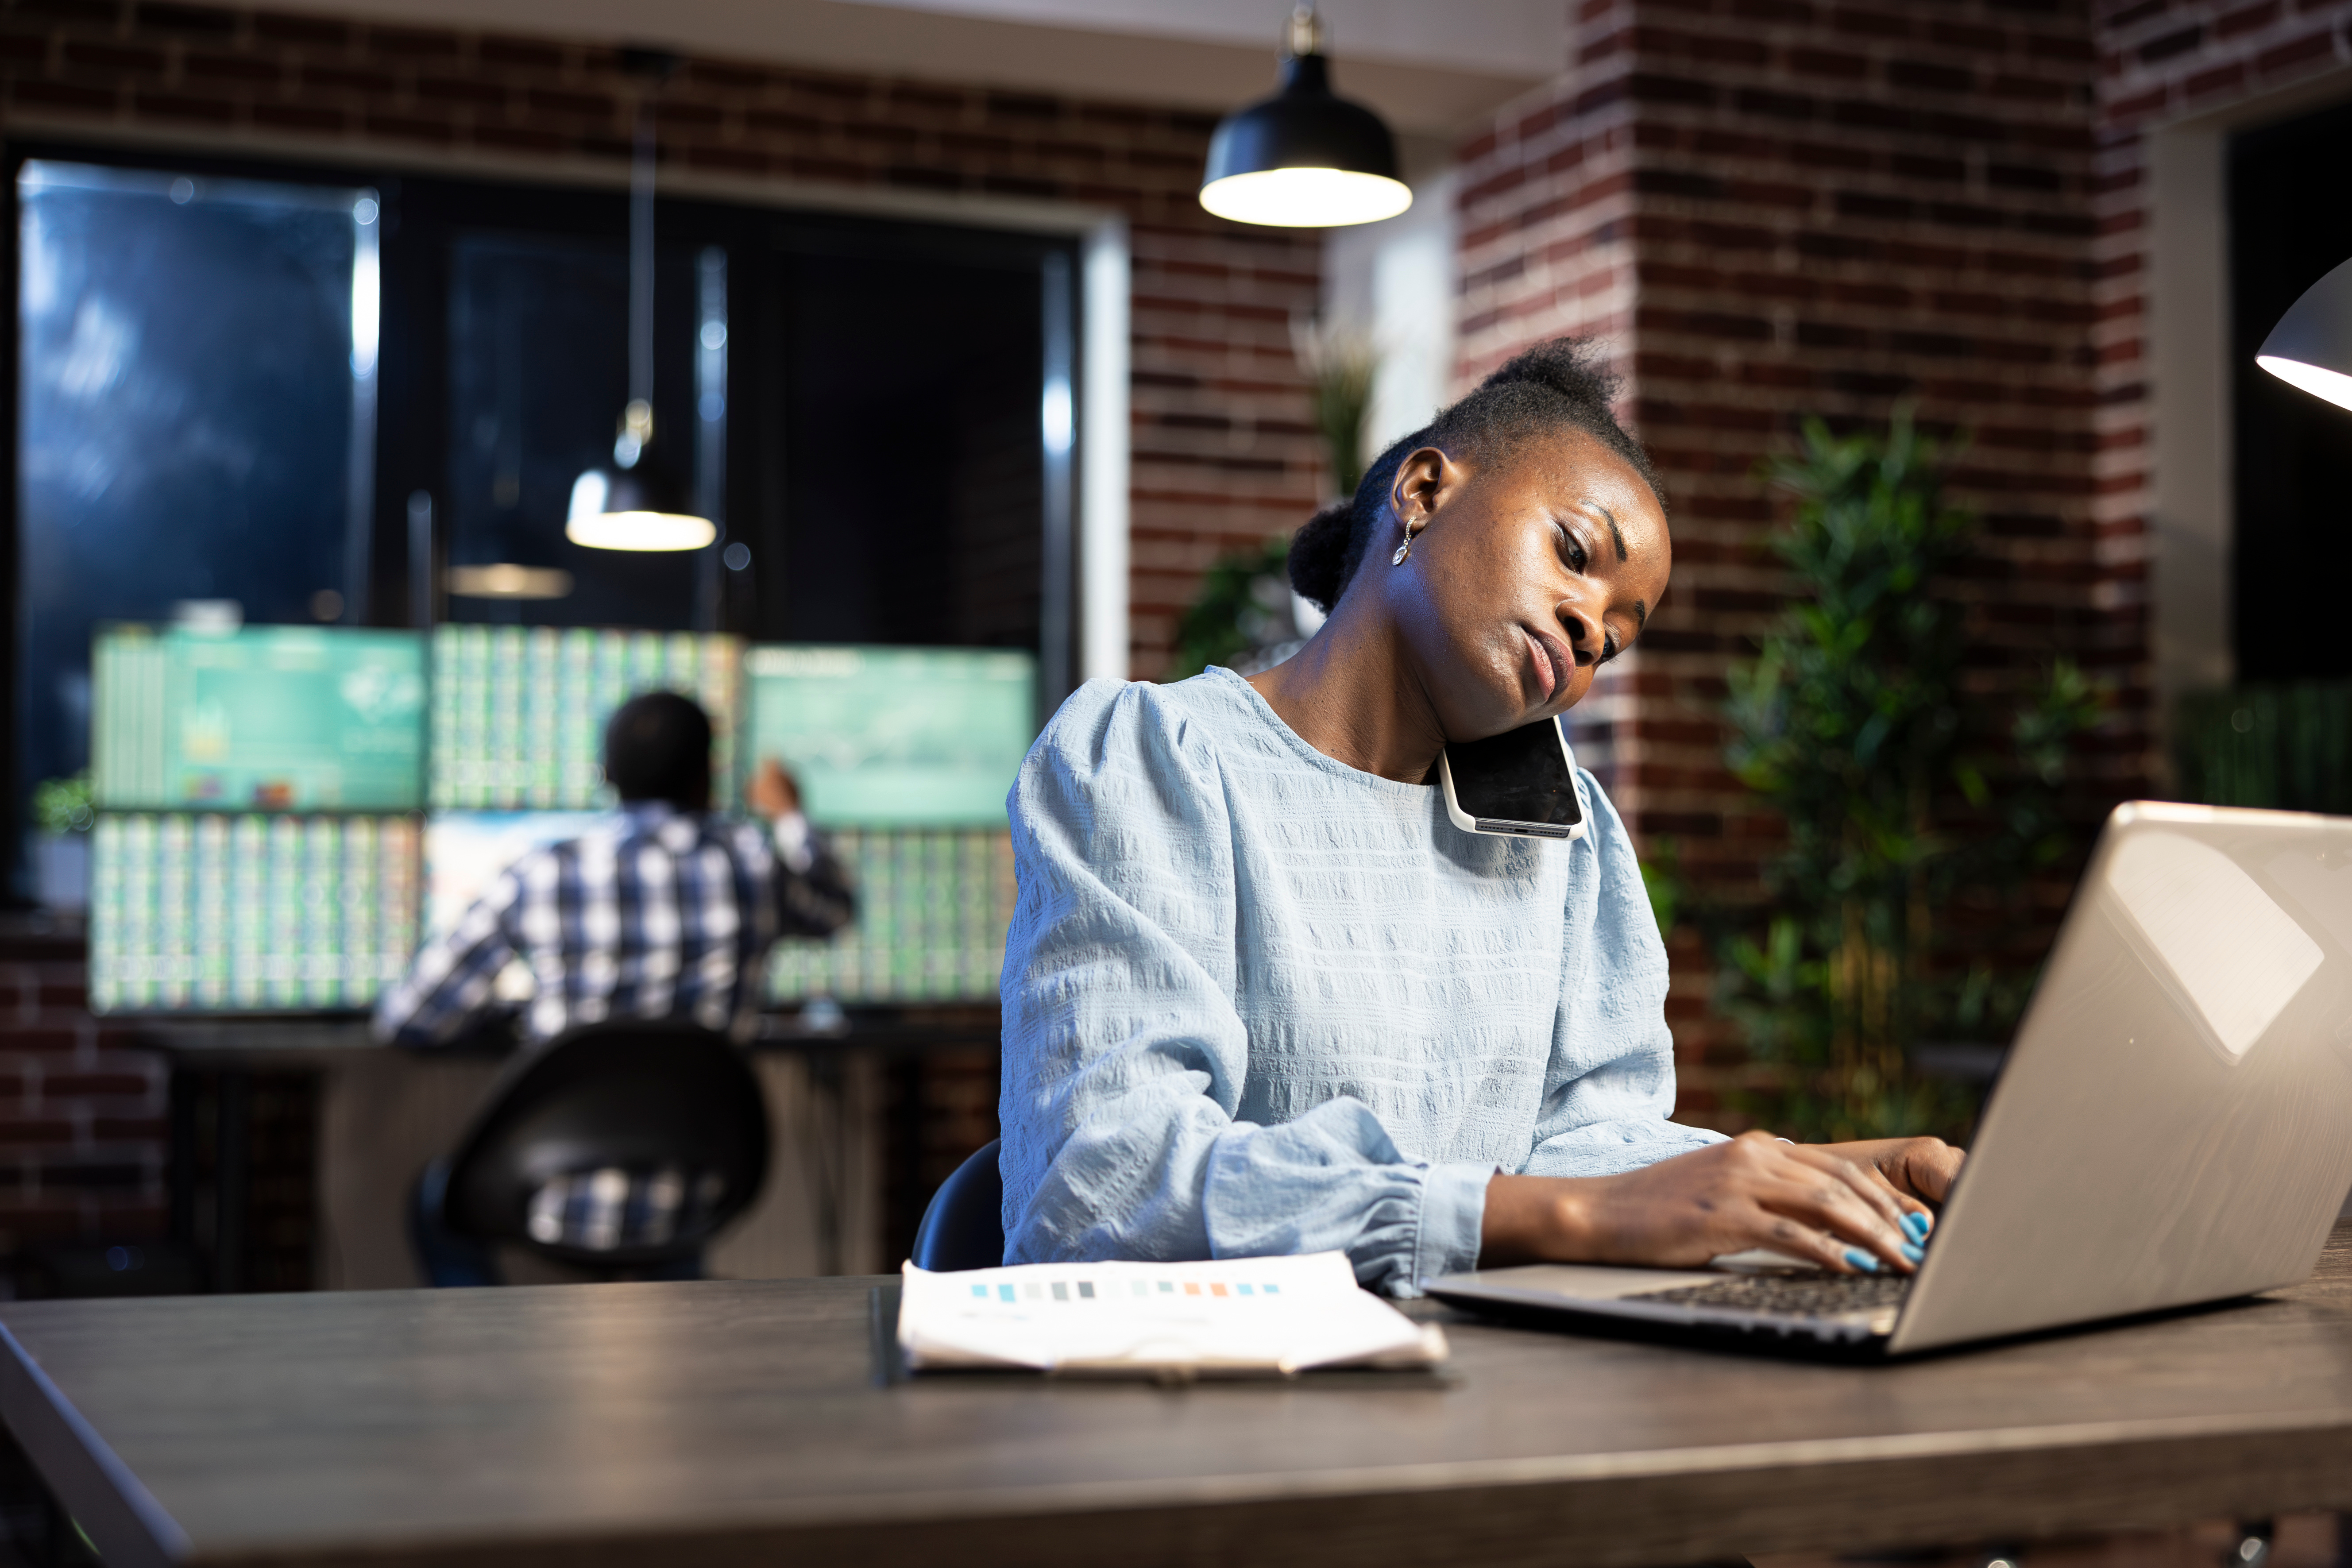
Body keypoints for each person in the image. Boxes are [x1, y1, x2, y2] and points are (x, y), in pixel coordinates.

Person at [1000, 338, 1963, 1295]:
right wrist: (1568, 1216)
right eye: (1575, 554)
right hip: (1202, 1412)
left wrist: (1817, 1181)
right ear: (1423, 492)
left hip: (1481, 1396)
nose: (1590, 629)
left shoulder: (1562, 829)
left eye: (1616, 641)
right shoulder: (1152, 755)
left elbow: (1587, 1146)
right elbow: (1104, 1189)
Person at [375, 691, 855, 1048]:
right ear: (707, 777)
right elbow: (835, 911)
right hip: (708, 1161)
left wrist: (516, 1021)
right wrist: (791, 815)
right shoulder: (753, 868)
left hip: (556, 1162)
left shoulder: (540, 873)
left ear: (606, 774)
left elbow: (411, 1016)